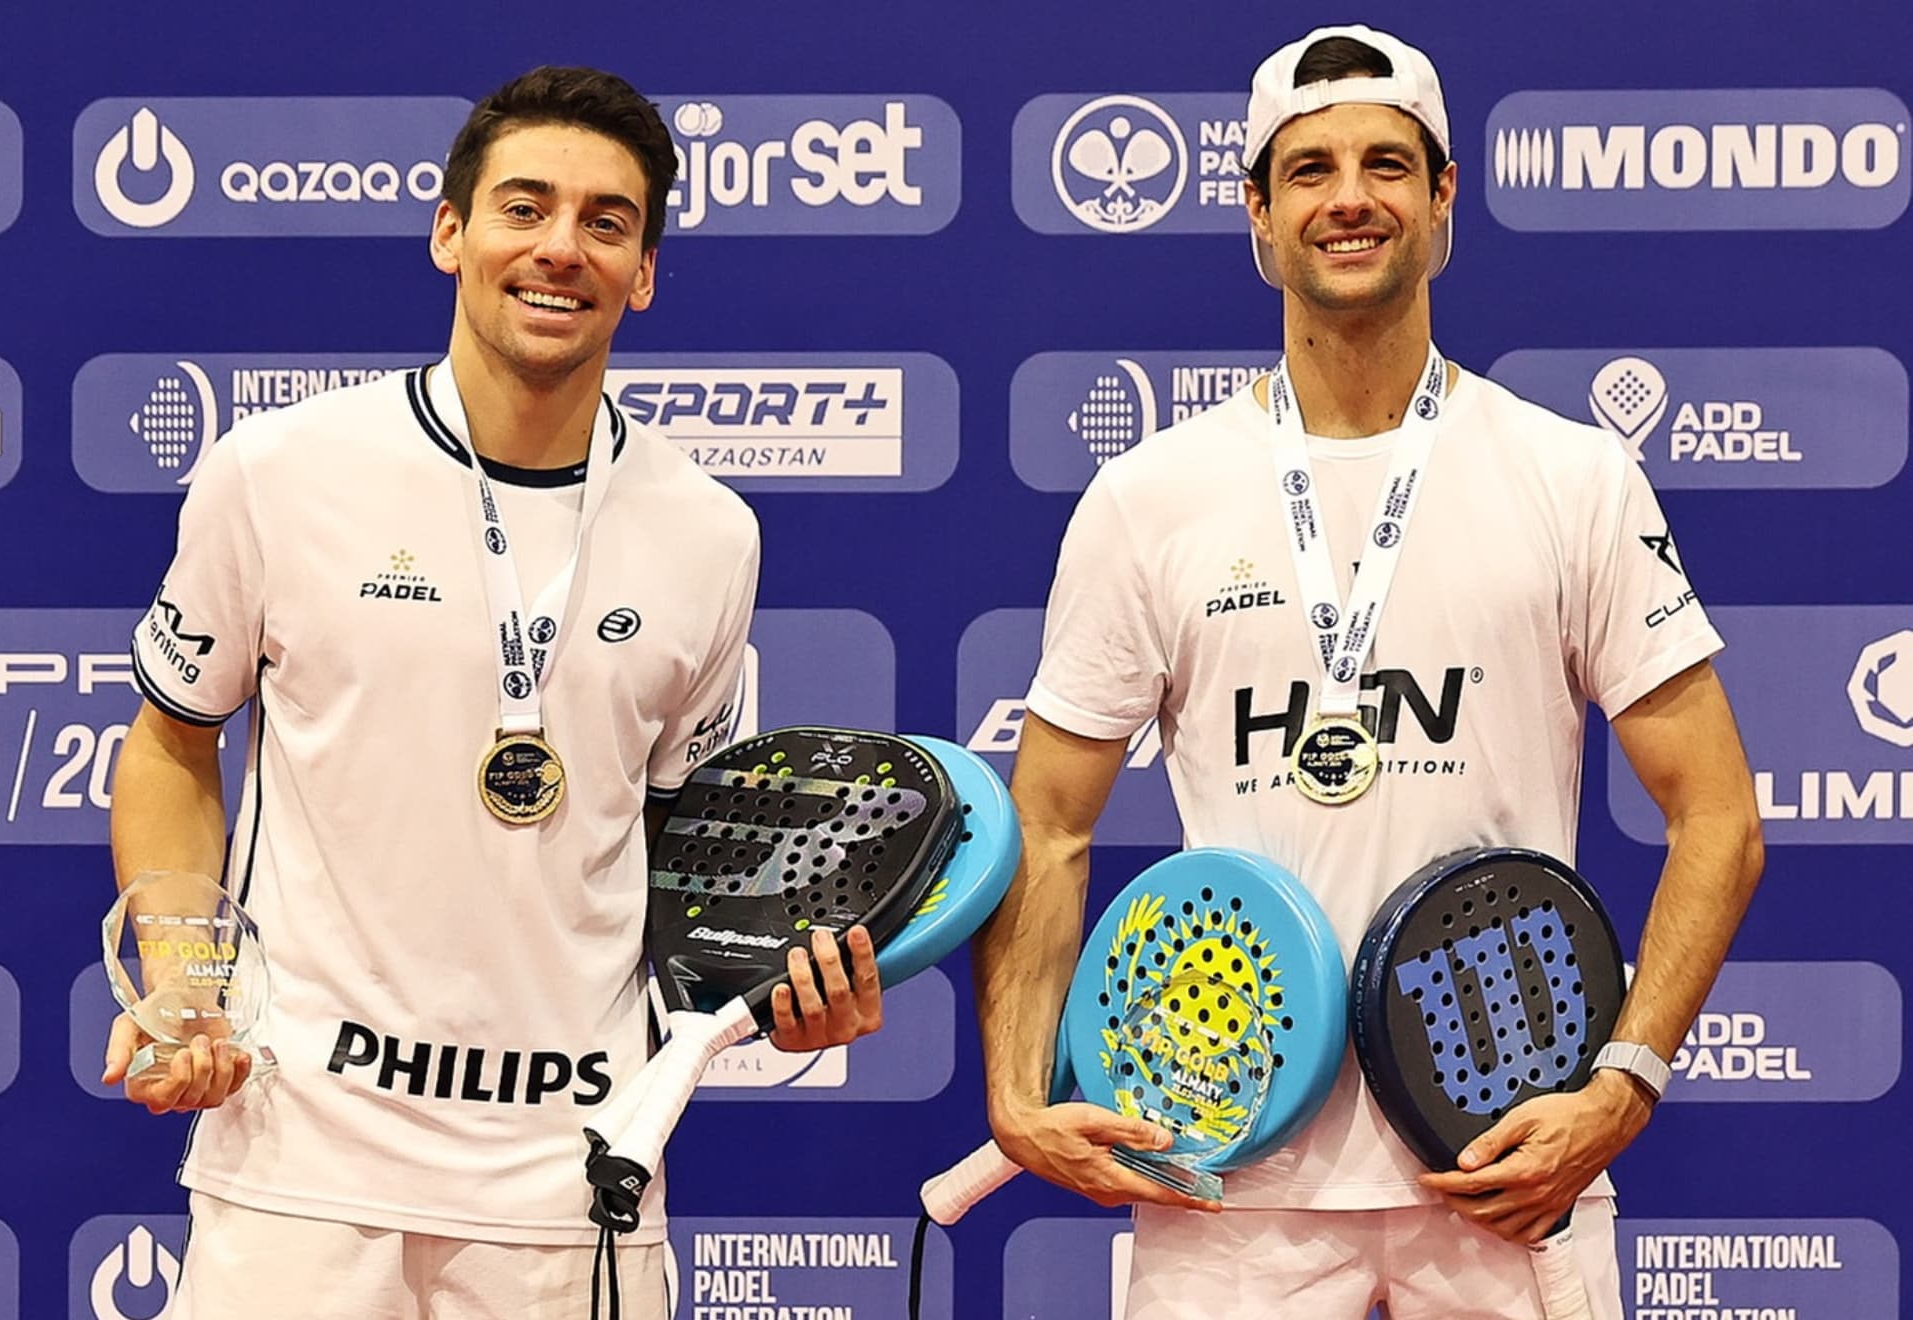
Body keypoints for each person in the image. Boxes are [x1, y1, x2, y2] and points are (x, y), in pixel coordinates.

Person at [972, 25, 1763, 1319]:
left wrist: (1621, 1085)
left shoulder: (1571, 478)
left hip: (1507, 1161)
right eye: (1311, 169)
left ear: (1444, 198)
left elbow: (1719, 818)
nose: (1351, 196)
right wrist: (1014, 1091)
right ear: (1259, 215)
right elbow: (1050, 822)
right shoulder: (1150, 498)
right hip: (1227, 1173)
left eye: (1388, 164)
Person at [103, 66, 882, 1320]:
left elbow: (684, 858)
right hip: (303, 1168)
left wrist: (775, 991)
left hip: (571, 1193)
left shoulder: (711, 534)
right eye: (524, 207)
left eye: (606, 223)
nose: (559, 248)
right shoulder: (279, 475)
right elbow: (168, 748)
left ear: (644, 273)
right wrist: (183, 974)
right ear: (451, 232)